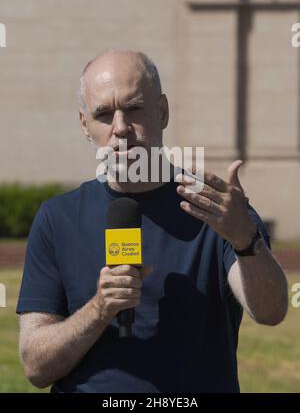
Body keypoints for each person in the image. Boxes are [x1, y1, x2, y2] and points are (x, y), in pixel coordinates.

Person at [16, 50, 288, 393]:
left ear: (162, 111)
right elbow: (36, 368)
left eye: (133, 109)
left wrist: (246, 242)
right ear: (85, 126)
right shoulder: (57, 218)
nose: (120, 128)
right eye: (103, 114)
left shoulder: (216, 210)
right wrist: (99, 309)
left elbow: (271, 312)